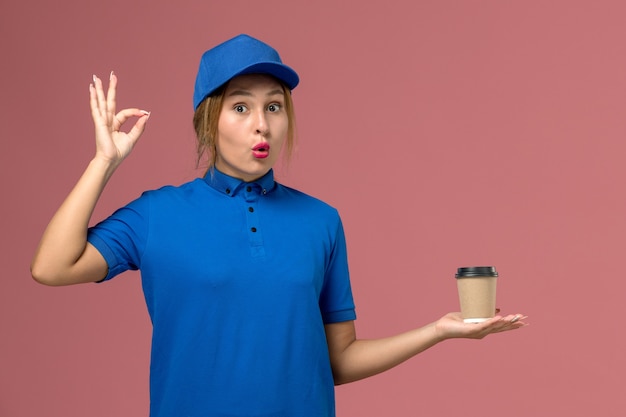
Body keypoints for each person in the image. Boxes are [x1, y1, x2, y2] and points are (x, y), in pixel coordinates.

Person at [31, 34, 527, 417]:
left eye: (273, 107)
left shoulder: (321, 221)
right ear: (209, 120)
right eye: (241, 107)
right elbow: (53, 267)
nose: (261, 124)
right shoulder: (157, 214)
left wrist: (438, 331)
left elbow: (339, 361)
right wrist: (104, 163)